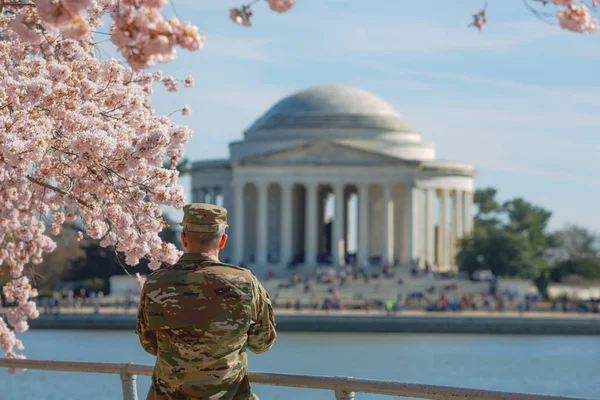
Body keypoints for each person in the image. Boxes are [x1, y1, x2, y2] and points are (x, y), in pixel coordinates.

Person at [136, 203, 277, 400]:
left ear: (183, 238)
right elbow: (262, 343)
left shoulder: (155, 283)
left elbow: (149, 344)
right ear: (223, 241)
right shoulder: (245, 282)